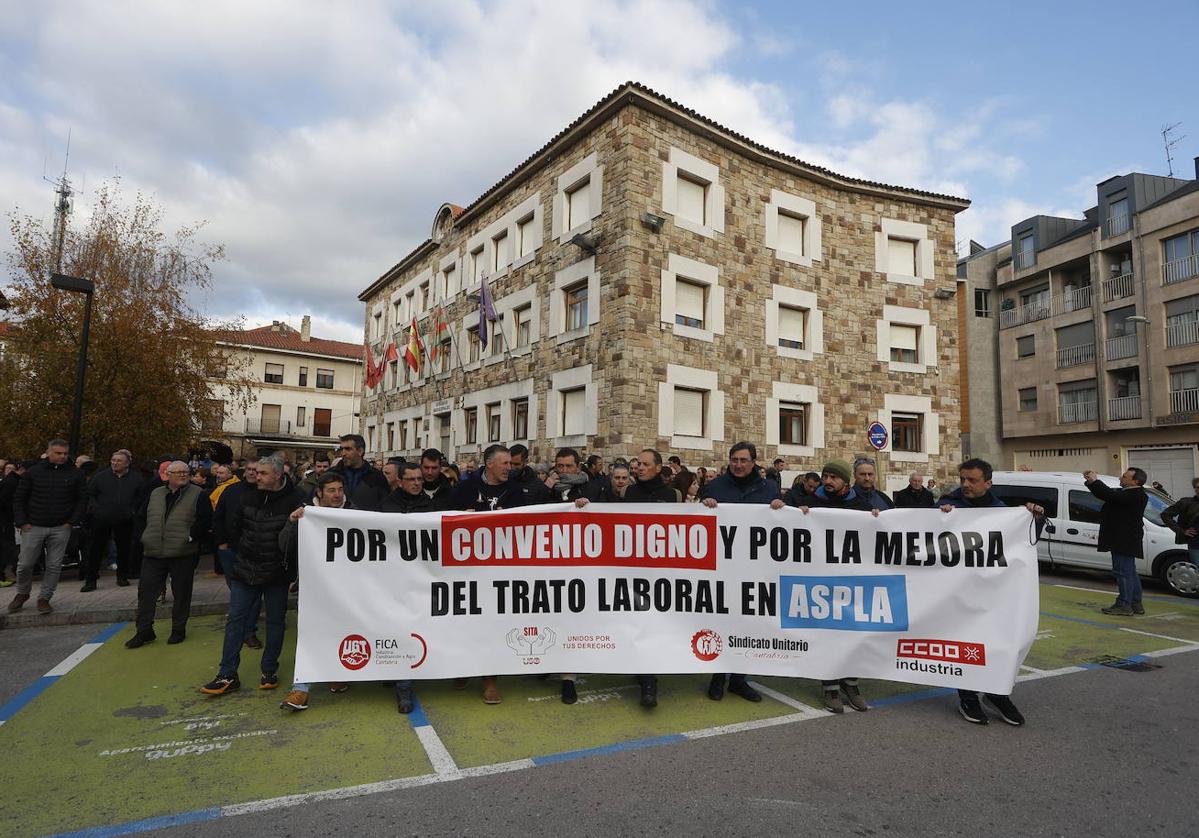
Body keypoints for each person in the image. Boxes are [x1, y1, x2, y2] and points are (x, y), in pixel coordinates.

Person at [939, 458, 1046, 726]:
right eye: (962, 479)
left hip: (994, 594)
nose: (965, 484)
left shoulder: (1003, 511)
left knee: (1000, 643)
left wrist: (1035, 517)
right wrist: (940, 517)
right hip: (958, 594)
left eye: (972, 480)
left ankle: (997, 693)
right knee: (964, 643)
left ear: (988, 483)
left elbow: (1025, 540)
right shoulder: (948, 506)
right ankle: (968, 696)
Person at [200, 454, 304, 696]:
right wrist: (240, 554)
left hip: (277, 573)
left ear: (278, 475)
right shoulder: (247, 496)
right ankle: (227, 674)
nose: (257, 477)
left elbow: (296, 540)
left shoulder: (297, 500)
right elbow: (235, 529)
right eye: (256, 472)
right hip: (245, 570)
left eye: (263, 473)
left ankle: (269, 670)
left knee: (275, 622)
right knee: (235, 619)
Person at [785, 458, 879, 712]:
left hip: (852, 578)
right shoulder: (810, 503)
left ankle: (851, 683)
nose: (827, 481)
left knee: (854, 630)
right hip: (821, 579)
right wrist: (791, 513)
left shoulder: (861, 505)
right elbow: (783, 519)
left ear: (845, 481)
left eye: (833, 477)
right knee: (828, 631)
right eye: (825, 476)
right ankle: (830, 689)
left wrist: (877, 520)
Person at [447, 444, 530, 703]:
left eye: (511, 464)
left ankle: (490, 679)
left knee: (492, 624)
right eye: (505, 463)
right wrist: (462, 517)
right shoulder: (465, 488)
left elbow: (530, 521)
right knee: (464, 621)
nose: (509, 468)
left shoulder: (516, 491)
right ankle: (463, 666)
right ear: (489, 464)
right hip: (467, 568)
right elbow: (445, 519)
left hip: (501, 569)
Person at [698, 442, 777, 703]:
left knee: (749, 622)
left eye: (744, 460)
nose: (739, 465)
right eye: (734, 460)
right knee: (721, 620)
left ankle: (739, 679)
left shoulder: (769, 489)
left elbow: (781, 525)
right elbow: (698, 521)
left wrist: (781, 508)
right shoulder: (715, 486)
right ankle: (718, 676)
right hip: (722, 567)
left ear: (754, 462)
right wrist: (704, 504)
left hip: (755, 568)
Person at [279, 472, 355, 711]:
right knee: (310, 634)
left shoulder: (354, 512)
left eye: (340, 489)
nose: (337, 494)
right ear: (319, 493)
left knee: (345, 631)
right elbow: (284, 546)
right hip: (314, 587)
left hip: (348, 587)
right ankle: (301, 688)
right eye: (331, 490)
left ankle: (338, 674)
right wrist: (292, 523)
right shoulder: (305, 514)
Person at [124, 462, 212, 647]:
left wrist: (190, 537)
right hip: (153, 551)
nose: (182, 475)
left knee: (181, 593)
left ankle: (178, 629)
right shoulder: (155, 493)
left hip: (182, 552)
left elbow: (205, 520)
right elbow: (140, 517)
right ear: (168, 475)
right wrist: (143, 537)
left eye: (186, 472)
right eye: (178, 472)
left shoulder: (198, 494)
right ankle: (144, 631)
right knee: (146, 593)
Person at [8, 439, 86, 615]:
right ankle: (22, 593)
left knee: (54, 565)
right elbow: (19, 498)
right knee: (25, 564)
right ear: (49, 452)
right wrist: (22, 522)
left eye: (65, 454)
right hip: (33, 526)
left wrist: (71, 521)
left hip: (61, 526)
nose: (62, 457)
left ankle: (44, 598)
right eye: (58, 453)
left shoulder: (75, 474)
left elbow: (82, 499)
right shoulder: (33, 472)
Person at [1084, 468, 1149, 616]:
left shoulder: (1136, 495)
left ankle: (1124, 604)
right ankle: (1135, 602)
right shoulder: (1129, 493)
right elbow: (1105, 494)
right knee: (1130, 571)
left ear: (1135, 481)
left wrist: (1095, 481)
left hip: (1123, 539)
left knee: (1123, 572)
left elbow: (1109, 495)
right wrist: (1091, 482)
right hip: (1123, 539)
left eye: (1125, 477)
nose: (1121, 478)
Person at [82, 450, 144, 591]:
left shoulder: (136, 479)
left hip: (125, 519)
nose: (115, 463)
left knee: (124, 548)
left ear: (127, 463)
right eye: (113, 460)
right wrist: (96, 510)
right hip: (101, 519)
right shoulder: (100, 477)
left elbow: (140, 497)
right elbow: (90, 495)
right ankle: (90, 580)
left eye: (119, 461)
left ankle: (122, 576)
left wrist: (132, 511)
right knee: (96, 549)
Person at [329, 434, 389, 511]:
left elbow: (385, 505)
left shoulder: (377, 477)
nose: (343, 453)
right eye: (341, 449)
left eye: (348, 449)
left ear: (360, 451)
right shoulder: (331, 475)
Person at [1161, 479, 1199, 569]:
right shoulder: (1186, 503)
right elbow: (1165, 515)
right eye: (1198, 487)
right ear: (1195, 489)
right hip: (1196, 544)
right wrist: (1181, 531)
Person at [0, 462, 20, 586]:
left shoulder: (8, 482)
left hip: (5, 519)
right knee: (5, 546)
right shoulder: (10, 483)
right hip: (3, 519)